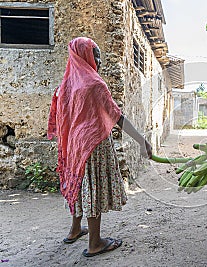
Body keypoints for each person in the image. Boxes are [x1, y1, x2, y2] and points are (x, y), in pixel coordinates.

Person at [47, 37, 152, 257]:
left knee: (78, 185)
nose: (99, 61)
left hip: (73, 146)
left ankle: (75, 230)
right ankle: (95, 242)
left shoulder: (65, 86)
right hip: (93, 145)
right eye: (95, 55)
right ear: (82, 56)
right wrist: (142, 140)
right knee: (92, 190)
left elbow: (58, 119)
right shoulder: (94, 84)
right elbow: (117, 116)